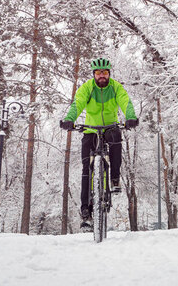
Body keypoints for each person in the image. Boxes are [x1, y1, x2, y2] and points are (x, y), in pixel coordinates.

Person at [60, 57, 139, 230]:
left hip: (110, 127)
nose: (101, 75)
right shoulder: (87, 88)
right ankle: (86, 213)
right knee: (86, 168)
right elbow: (77, 104)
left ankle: (115, 178)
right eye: (98, 73)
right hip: (90, 129)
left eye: (104, 72)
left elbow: (126, 102)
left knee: (116, 137)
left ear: (109, 73)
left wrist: (130, 117)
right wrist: (69, 119)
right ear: (94, 74)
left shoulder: (115, 87)